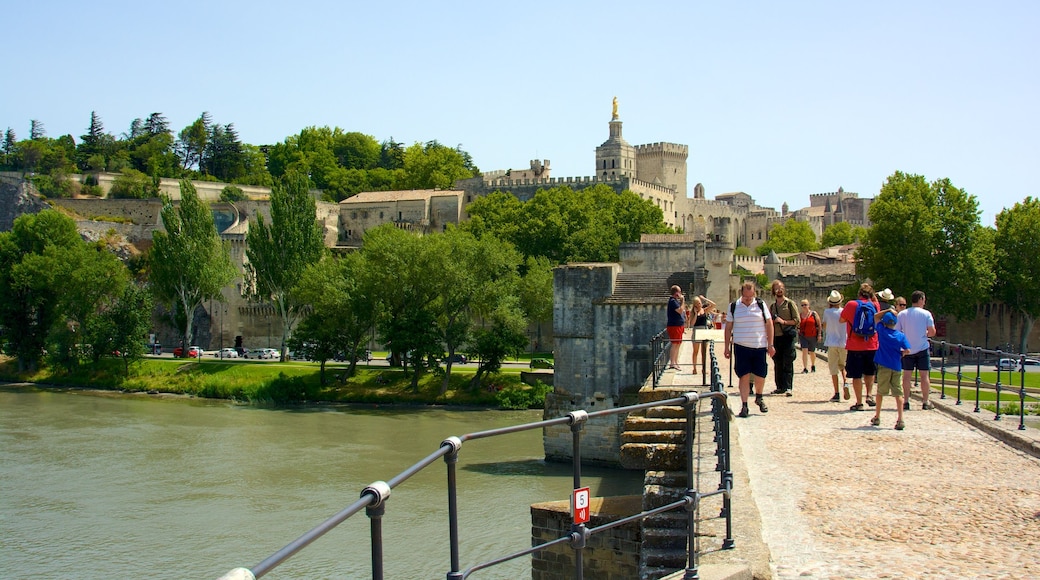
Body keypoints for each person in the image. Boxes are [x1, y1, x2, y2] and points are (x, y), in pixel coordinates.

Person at [724, 281, 775, 418]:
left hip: (759, 345)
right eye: (746, 297)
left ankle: (759, 396)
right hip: (741, 346)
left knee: (761, 375)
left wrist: (770, 344)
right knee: (744, 376)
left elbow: (769, 324)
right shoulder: (734, 306)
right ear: (742, 294)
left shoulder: (760, 304)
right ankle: (744, 405)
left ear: (754, 294)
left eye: (750, 297)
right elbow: (728, 327)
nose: (748, 299)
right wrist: (726, 346)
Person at [841, 283, 880, 411]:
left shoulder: (851, 304)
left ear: (859, 294)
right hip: (871, 344)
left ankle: (859, 402)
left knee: (856, 375)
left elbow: (841, 319)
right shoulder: (874, 305)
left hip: (855, 345)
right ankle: (869, 394)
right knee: (870, 371)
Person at [897, 291, 936, 410]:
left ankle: (906, 401)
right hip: (922, 348)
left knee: (906, 376)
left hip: (907, 348)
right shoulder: (926, 314)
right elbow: (932, 332)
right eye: (923, 300)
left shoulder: (902, 314)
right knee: (924, 376)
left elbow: (898, 332)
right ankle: (925, 401)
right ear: (920, 300)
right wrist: (924, 334)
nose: (924, 302)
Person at [871, 311, 910, 430]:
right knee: (898, 393)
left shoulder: (882, 331)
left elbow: (875, 316)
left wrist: (888, 310)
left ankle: (877, 416)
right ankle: (900, 419)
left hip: (884, 365)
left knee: (880, 392)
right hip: (896, 366)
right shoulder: (900, 336)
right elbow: (907, 349)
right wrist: (901, 354)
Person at [768, 280, 799, 396]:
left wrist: (783, 321)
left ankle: (788, 387)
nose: (779, 290)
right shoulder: (773, 306)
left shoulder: (790, 304)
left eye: (781, 287)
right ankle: (779, 386)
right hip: (776, 337)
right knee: (778, 362)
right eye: (776, 288)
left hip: (787, 337)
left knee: (788, 362)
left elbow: (797, 320)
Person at [821, 290, 849, 402]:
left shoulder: (827, 312)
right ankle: (846, 381)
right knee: (843, 365)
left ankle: (836, 393)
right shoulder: (844, 312)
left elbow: (824, 325)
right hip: (844, 342)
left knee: (833, 369)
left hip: (832, 342)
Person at [688, 294, 716, 374]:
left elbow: (714, 305)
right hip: (696, 331)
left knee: (703, 351)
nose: (699, 305)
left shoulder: (705, 310)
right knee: (695, 351)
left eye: (699, 303)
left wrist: (705, 299)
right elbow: (692, 324)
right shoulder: (692, 312)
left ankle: (704, 368)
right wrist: (696, 314)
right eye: (697, 303)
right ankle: (694, 368)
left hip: (704, 331)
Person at [798, 299, 821, 373]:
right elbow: (797, 324)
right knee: (804, 351)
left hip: (812, 335)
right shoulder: (800, 315)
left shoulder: (814, 314)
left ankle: (813, 365)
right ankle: (805, 368)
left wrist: (819, 334)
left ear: (809, 305)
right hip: (803, 336)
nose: (804, 306)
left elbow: (819, 324)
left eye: (805, 305)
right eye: (802, 305)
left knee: (812, 352)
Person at [666, 285, 686, 370]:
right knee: (675, 344)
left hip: (678, 325)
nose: (681, 294)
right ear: (677, 293)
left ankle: (676, 362)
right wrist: (683, 300)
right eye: (680, 292)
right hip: (674, 325)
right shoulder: (672, 301)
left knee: (678, 344)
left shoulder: (675, 301)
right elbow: (680, 310)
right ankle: (672, 363)